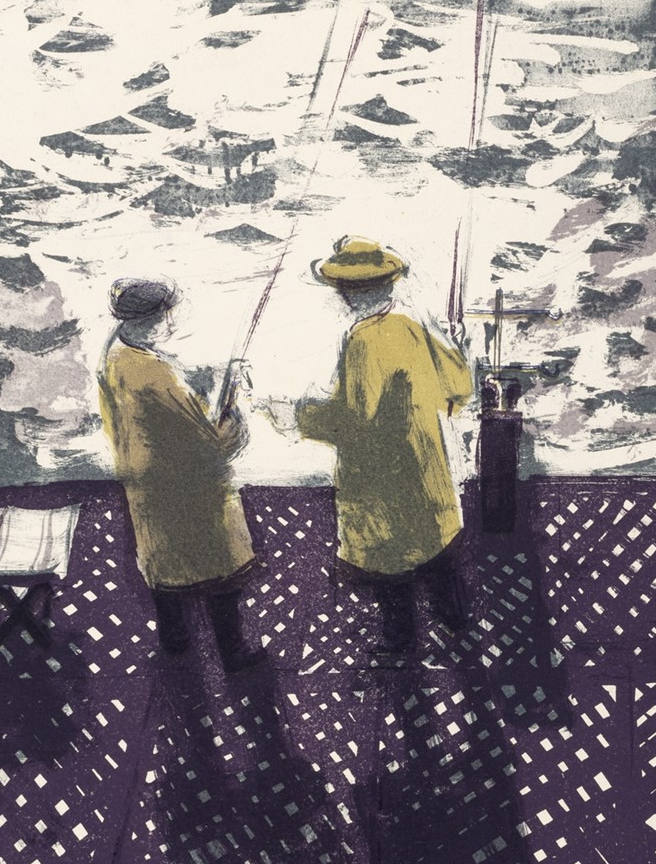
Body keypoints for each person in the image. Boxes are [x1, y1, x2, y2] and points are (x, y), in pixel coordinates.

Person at [287, 236, 476, 656]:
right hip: (426, 470)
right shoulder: (410, 326)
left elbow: (357, 422)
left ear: (346, 293)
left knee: (392, 567)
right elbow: (460, 387)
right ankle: (458, 623)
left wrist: (300, 416)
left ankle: (401, 645)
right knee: (436, 552)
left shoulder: (363, 340)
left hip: (384, 483)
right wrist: (455, 345)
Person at [97, 277, 267, 671]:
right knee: (219, 573)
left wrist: (205, 379)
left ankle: (174, 641)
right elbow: (213, 444)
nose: (172, 322)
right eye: (167, 315)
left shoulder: (116, 355)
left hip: (146, 483)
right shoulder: (155, 374)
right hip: (188, 491)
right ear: (153, 319)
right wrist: (236, 405)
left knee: (163, 565)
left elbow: (163, 409)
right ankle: (233, 654)